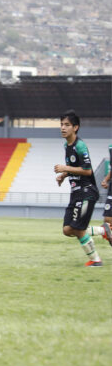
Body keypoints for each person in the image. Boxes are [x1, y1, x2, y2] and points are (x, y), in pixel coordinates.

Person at [54, 110, 104, 266]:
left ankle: (96, 260)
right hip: (75, 193)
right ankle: (104, 231)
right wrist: (64, 174)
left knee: (77, 228)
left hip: (86, 192)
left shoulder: (80, 146)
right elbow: (75, 167)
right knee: (67, 230)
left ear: (75, 127)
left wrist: (64, 168)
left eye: (67, 125)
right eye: (61, 124)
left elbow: (87, 170)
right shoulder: (66, 145)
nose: (63, 128)